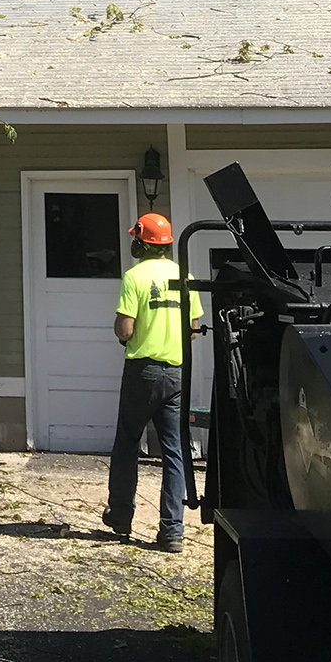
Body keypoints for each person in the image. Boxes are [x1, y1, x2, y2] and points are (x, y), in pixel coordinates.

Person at [104, 211, 203, 552]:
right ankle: (172, 531)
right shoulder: (184, 275)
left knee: (128, 443)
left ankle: (120, 517)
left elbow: (125, 328)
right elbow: (192, 328)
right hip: (175, 373)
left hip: (141, 372)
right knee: (174, 451)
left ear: (139, 243)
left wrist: (124, 337)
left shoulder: (134, 277)